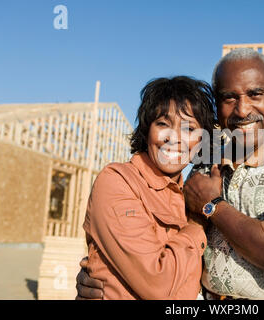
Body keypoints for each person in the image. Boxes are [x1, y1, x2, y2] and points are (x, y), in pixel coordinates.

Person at [76, 48, 264, 300]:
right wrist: (104, 270)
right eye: (229, 98)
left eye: (255, 94)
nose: (243, 109)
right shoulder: (207, 160)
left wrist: (212, 206)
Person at [78, 76, 217, 299]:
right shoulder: (118, 181)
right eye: (163, 124)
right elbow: (157, 284)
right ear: (146, 130)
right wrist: (197, 222)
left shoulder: (189, 194)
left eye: (189, 129)